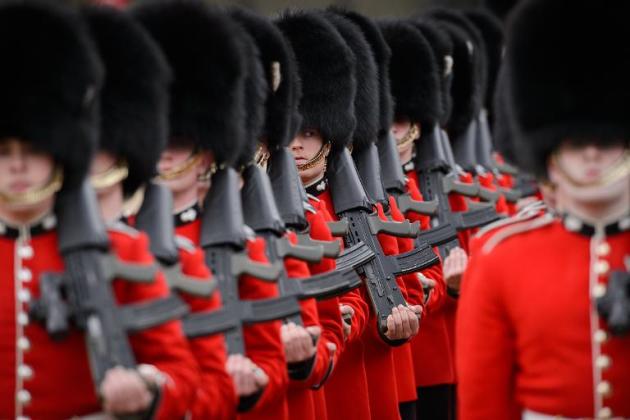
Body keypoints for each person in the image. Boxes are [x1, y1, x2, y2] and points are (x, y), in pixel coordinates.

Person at [0, 2, 196, 418]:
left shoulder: (123, 253)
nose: (16, 165)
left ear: (59, 151)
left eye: (32, 149)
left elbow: (180, 373)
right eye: (4, 152)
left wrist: (146, 387)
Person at [457, 0, 630, 418]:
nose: (591, 154)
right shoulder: (501, 258)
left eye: (605, 143)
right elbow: (485, 405)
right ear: (549, 152)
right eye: (574, 143)